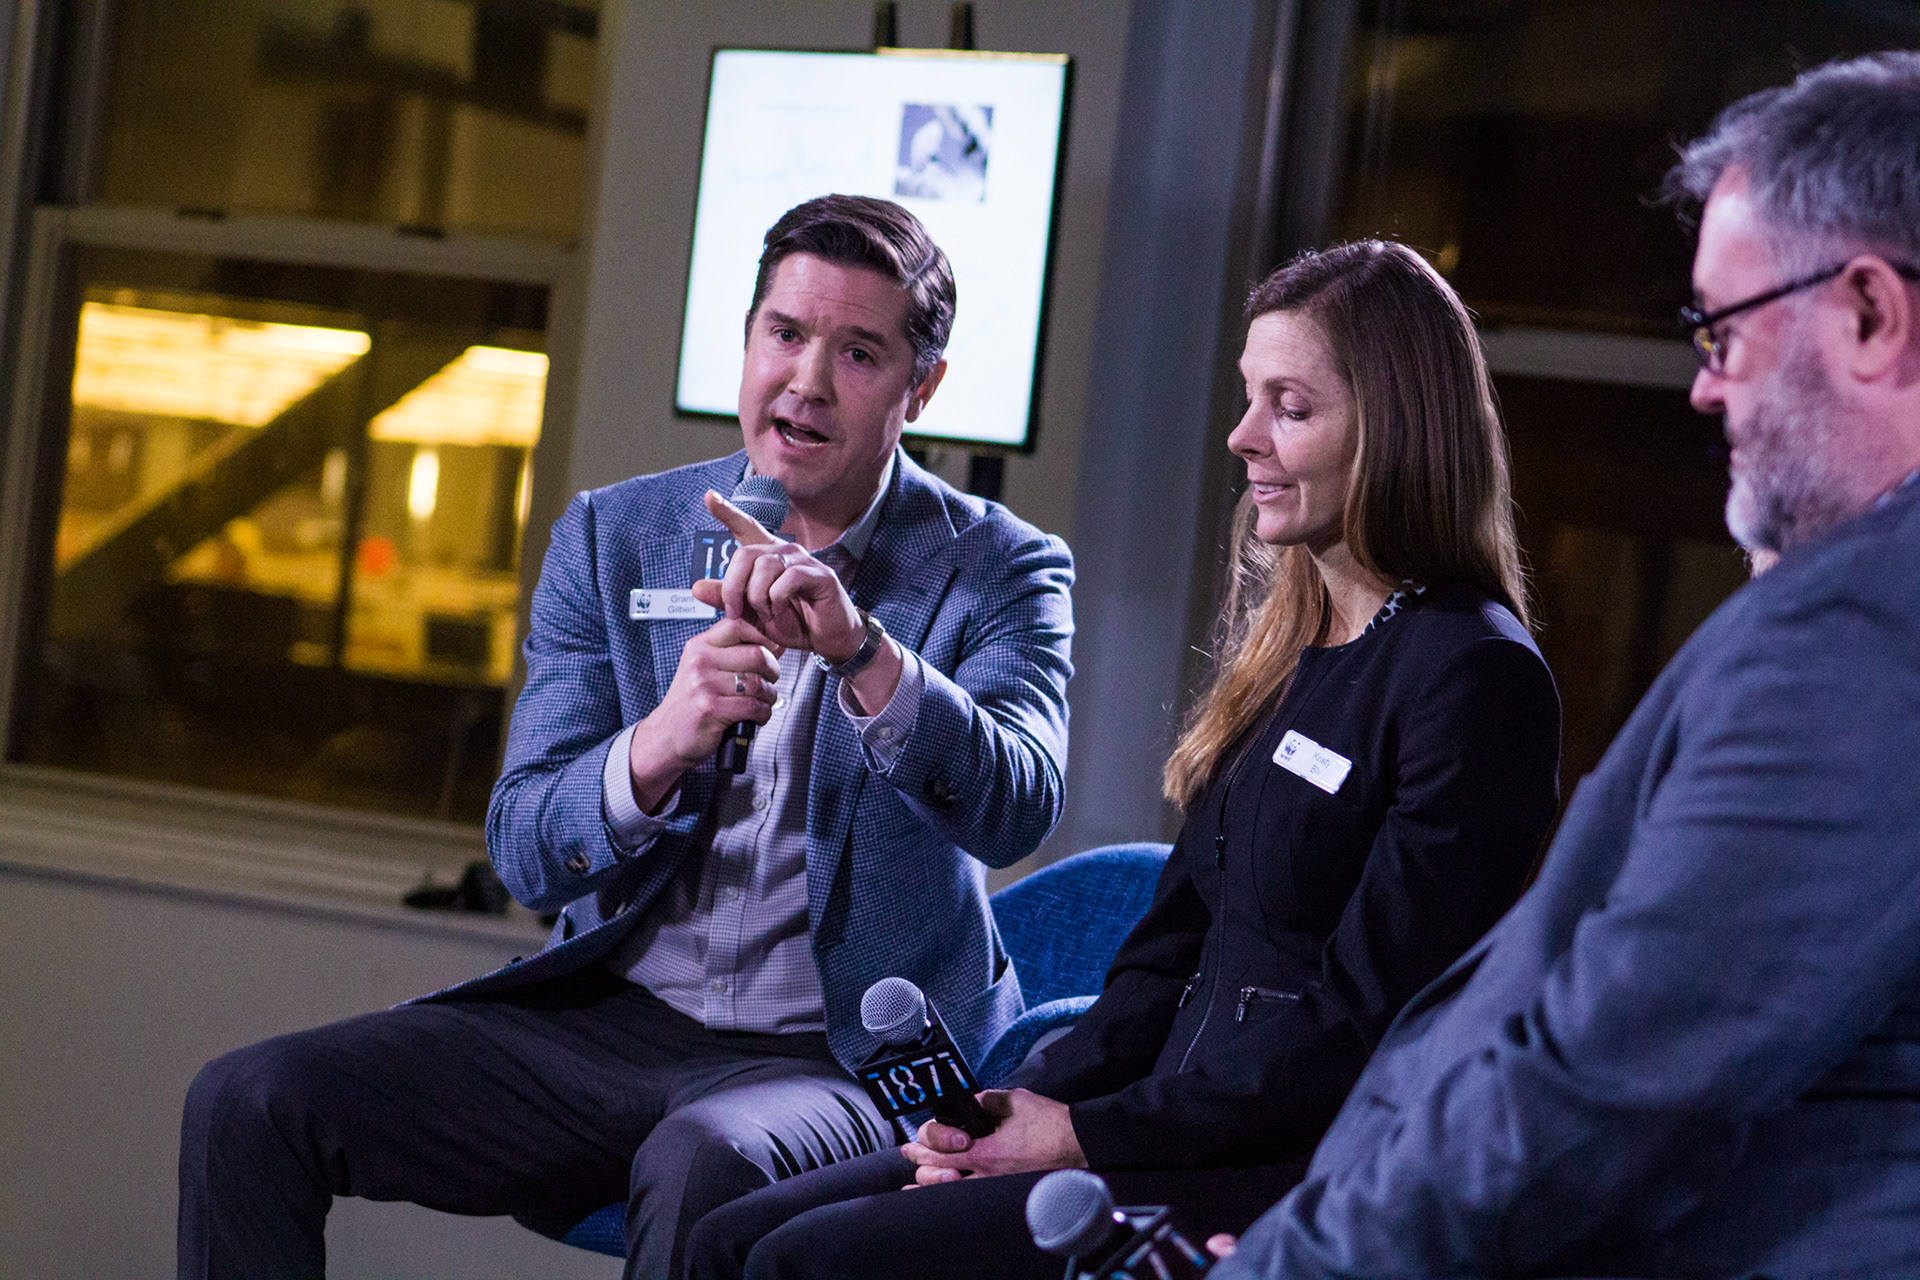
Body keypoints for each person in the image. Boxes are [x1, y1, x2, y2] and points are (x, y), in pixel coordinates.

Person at [176, 195, 1075, 1280]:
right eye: (785, 333)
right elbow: (524, 845)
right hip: (608, 1025)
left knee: (703, 1161)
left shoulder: (1001, 566)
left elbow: (1018, 804)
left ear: (919, 388)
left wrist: (861, 652)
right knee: (249, 1100)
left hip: (831, 1058)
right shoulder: (617, 536)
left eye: (858, 353)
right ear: (748, 339)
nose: (806, 381)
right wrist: (658, 743)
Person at [682, 239, 1563, 1280]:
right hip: (1149, 1127)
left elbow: (1359, 1025)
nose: (1242, 437)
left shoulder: (1478, 676)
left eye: (1289, 408)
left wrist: (1085, 1137)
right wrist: (1020, 1113)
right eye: (1249, 397)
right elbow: (1164, 956)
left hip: (1281, 1168)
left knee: (802, 1263)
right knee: (730, 1236)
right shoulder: (1296, 646)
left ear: (1397, 428)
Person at [1210, 52, 1920, 1279]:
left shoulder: (1865, 629)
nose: (1705, 388)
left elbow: (1613, 1075)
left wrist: (1298, 1262)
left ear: (1867, 313)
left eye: (1724, 330)